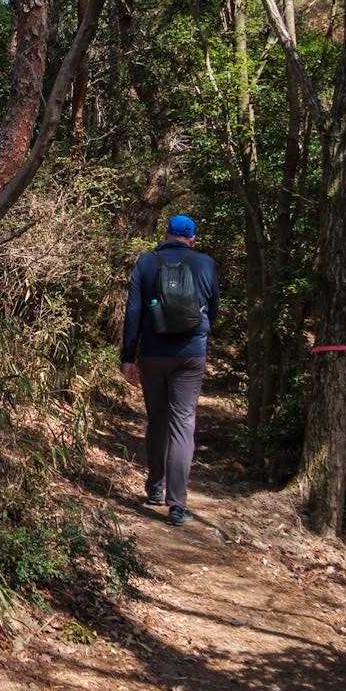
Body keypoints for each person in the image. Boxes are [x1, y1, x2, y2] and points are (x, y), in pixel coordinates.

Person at [119, 214, 220, 526]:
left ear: (166, 234)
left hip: (153, 354)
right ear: (192, 238)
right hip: (190, 355)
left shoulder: (147, 262)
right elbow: (214, 309)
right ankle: (177, 505)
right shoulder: (205, 264)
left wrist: (128, 356)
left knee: (158, 419)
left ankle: (155, 486)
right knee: (182, 424)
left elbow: (134, 311)